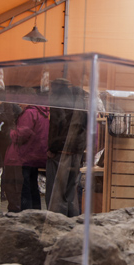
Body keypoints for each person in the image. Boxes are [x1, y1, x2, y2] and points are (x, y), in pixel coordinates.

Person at [3, 88, 50, 212]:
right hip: (34, 156)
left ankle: (25, 218)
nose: (18, 103)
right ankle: (35, 215)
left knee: (23, 191)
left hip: (23, 157)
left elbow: (21, 135)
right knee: (33, 188)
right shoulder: (43, 112)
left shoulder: (29, 113)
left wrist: (9, 132)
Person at [46, 78, 87, 217]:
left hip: (61, 150)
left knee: (57, 192)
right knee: (71, 191)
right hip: (76, 151)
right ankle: (72, 223)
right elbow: (84, 127)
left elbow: (57, 125)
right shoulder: (80, 102)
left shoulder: (59, 100)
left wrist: (52, 147)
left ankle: (57, 224)